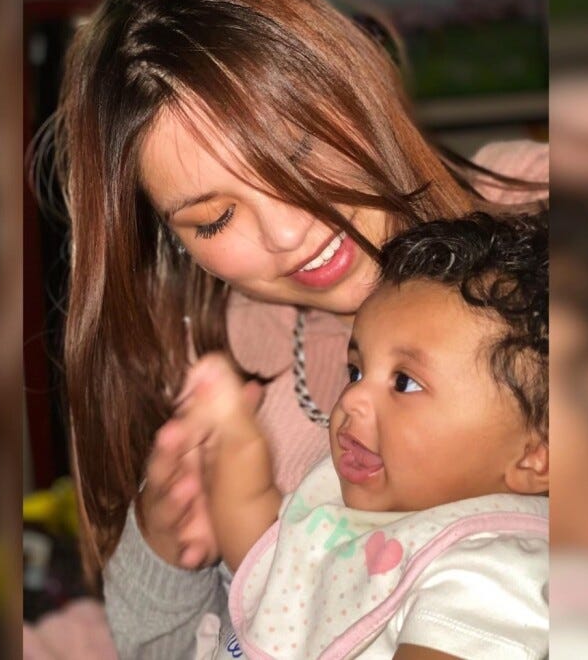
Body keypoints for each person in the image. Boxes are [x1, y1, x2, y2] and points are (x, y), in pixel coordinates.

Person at [49, 0, 547, 656]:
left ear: (350, 80)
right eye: (217, 219)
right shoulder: (218, 370)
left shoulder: (550, 215)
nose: (289, 233)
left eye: (299, 150)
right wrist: (164, 550)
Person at [160, 211, 548, 659]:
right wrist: (234, 446)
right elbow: (266, 556)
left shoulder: (494, 573)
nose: (353, 398)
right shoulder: (358, 506)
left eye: (404, 382)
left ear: (535, 457)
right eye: (356, 371)